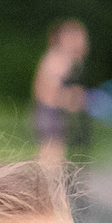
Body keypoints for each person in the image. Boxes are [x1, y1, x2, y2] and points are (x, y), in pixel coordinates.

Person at [34, 18, 90, 172]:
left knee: (54, 163)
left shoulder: (68, 59)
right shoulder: (58, 59)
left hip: (55, 116)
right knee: (49, 165)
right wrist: (72, 99)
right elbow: (47, 94)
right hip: (50, 115)